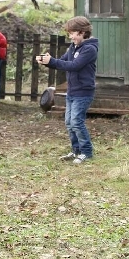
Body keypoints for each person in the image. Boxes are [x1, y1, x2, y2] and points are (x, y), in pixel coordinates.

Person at [36, 16, 98, 164]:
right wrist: (47, 61)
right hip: (72, 91)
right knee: (69, 123)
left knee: (77, 122)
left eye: (72, 33)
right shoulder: (74, 47)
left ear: (82, 32)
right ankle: (76, 151)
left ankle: (86, 152)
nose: (70, 37)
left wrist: (52, 61)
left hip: (83, 92)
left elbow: (74, 66)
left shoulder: (89, 49)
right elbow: (63, 61)